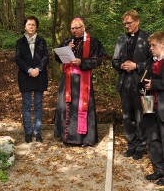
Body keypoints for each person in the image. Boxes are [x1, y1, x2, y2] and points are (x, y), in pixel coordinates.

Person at [54, 17, 107, 146]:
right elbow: (57, 57)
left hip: (83, 80)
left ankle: (83, 139)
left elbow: (99, 59)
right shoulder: (67, 41)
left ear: (83, 27)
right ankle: (67, 137)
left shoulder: (93, 41)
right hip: (67, 79)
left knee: (82, 108)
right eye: (72, 28)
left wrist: (82, 62)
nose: (74, 30)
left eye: (77, 28)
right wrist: (66, 48)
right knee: (67, 108)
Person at [112, 9, 151, 160]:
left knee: (143, 115)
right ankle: (131, 144)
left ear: (137, 21)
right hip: (124, 82)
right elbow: (114, 60)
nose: (126, 26)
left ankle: (142, 146)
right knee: (128, 116)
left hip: (143, 83)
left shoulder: (148, 38)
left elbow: (154, 61)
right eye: (124, 23)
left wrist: (137, 66)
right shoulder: (121, 39)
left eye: (129, 23)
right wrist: (120, 65)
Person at [15, 16, 49, 143]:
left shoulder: (42, 41)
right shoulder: (19, 42)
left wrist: (38, 69)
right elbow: (18, 59)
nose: (31, 26)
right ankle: (28, 132)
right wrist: (29, 70)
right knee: (27, 105)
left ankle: (37, 131)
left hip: (40, 76)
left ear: (37, 27)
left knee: (39, 105)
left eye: (33, 24)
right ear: (25, 26)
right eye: (29, 24)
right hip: (25, 77)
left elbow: (46, 57)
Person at [142, 31, 164, 185]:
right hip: (149, 103)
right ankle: (159, 169)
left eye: (153, 45)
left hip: (162, 107)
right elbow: (144, 78)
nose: (150, 48)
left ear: (163, 45)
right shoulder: (151, 61)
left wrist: (154, 84)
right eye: (150, 45)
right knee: (153, 138)